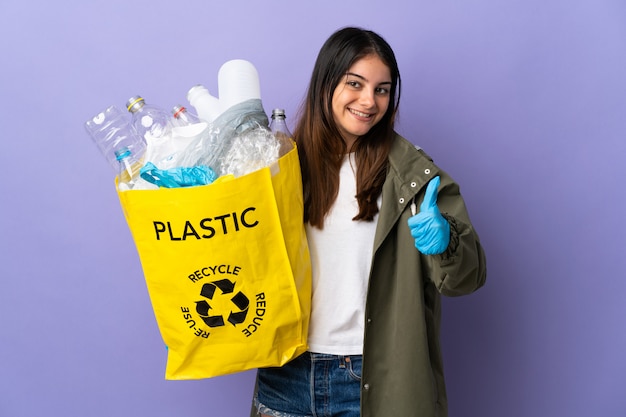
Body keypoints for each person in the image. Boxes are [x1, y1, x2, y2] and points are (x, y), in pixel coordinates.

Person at [251, 26, 487, 417]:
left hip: (371, 378)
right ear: (327, 83)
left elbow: (467, 278)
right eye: (355, 84)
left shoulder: (413, 176)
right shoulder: (280, 164)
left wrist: (447, 243)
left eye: (382, 89)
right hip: (284, 373)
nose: (369, 100)